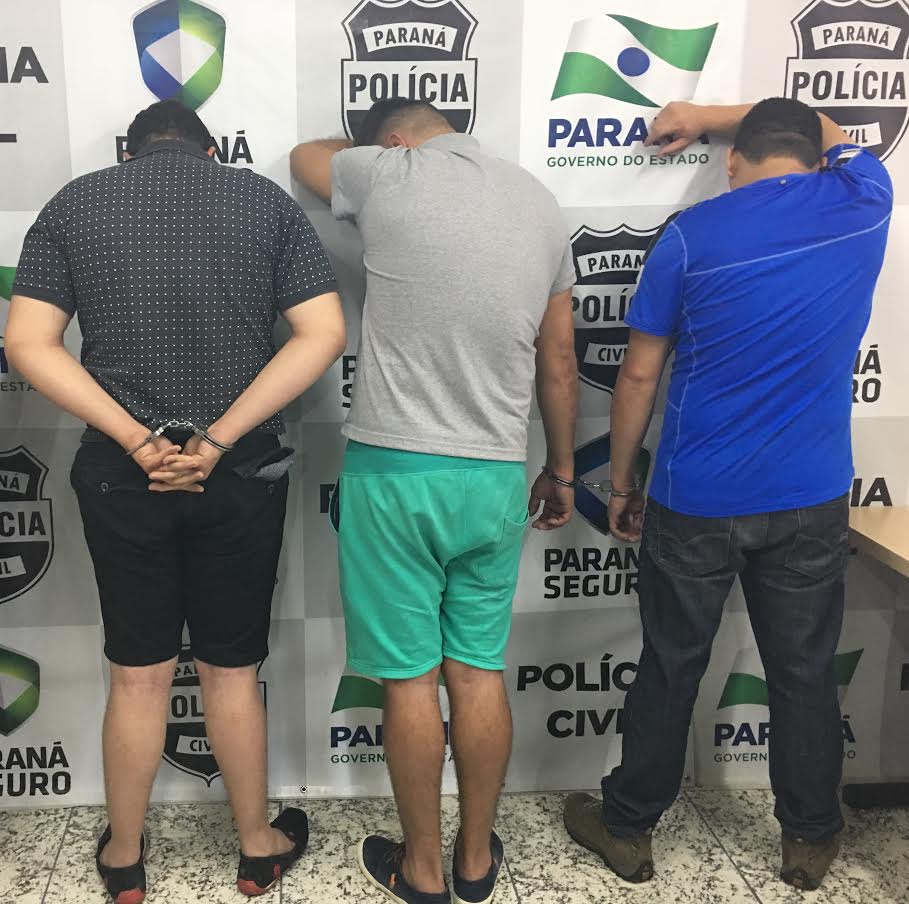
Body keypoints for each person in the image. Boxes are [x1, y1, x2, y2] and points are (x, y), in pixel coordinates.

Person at [5, 100, 346, 903]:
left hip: (123, 474)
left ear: (128, 154)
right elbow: (323, 333)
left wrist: (138, 441)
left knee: (137, 677)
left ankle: (125, 859)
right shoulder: (263, 201)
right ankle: (257, 850)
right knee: (231, 673)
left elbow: (26, 343)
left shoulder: (75, 204)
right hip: (239, 471)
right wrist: (216, 441)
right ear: (213, 150)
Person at [562, 98, 893, 892]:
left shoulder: (691, 235)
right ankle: (809, 840)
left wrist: (622, 481)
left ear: (732, 162)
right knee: (804, 671)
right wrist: (712, 114)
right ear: (813, 156)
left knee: (671, 666)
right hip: (811, 495)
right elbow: (823, 125)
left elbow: (638, 374)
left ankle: (628, 827)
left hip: (696, 496)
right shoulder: (863, 200)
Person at [291, 99, 578, 904]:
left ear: (395, 140)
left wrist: (376, 149)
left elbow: (305, 156)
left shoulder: (386, 170)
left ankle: (421, 869)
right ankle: (475, 862)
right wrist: (560, 470)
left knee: (410, 681)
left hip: (395, 471)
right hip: (494, 475)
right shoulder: (540, 201)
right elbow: (559, 360)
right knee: (477, 673)